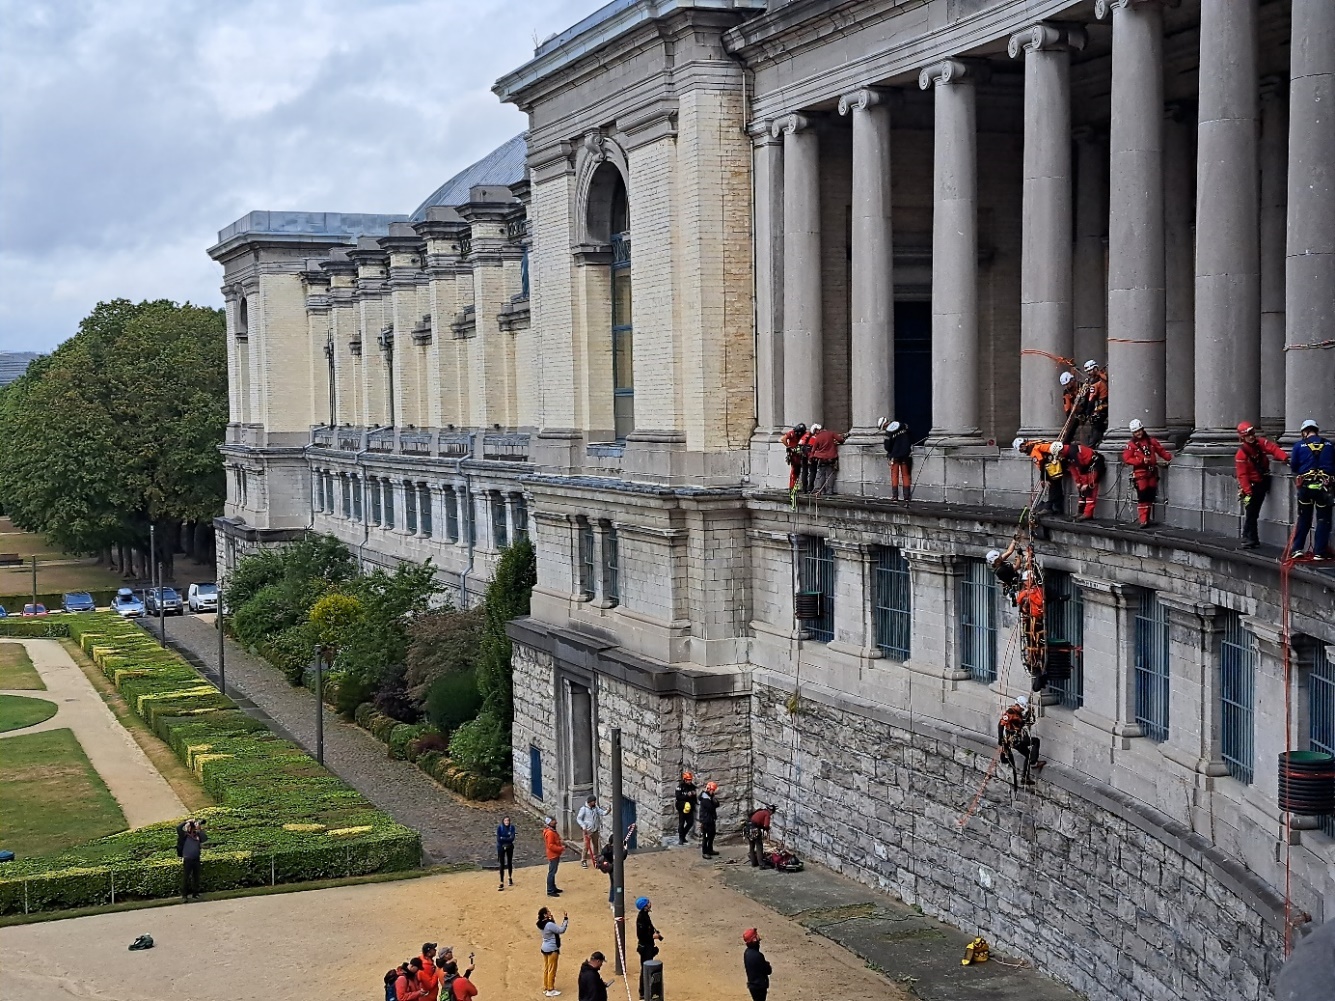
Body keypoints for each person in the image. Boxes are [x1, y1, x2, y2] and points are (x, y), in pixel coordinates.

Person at [1234, 421, 1288, 549]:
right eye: (1248, 435)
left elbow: (1273, 448)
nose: (1251, 437)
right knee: (1252, 513)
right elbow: (1242, 475)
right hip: (1252, 486)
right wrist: (1247, 491)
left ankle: (1251, 539)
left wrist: (1284, 457)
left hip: (1261, 482)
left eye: (1252, 434)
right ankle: (1249, 538)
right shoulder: (1241, 454)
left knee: (1253, 513)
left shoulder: (1260, 443)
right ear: (1243, 437)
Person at [1291, 419, 1335, 559]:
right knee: (1323, 519)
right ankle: (1319, 552)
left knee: (1304, 518)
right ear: (1316, 430)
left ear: (1304, 432)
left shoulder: (1299, 446)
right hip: (1324, 487)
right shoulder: (1329, 445)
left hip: (1306, 487)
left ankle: (1297, 549)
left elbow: (1294, 466)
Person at [1121, 419, 1173, 527]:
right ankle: (1143, 519)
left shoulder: (1151, 441)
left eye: (1139, 431)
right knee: (1143, 496)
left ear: (1142, 429)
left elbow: (1161, 451)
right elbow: (1127, 459)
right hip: (1141, 473)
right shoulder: (1131, 445)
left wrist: (1170, 458)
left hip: (1152, 472)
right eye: (1136, 432)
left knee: (1150, 495)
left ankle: (1147, 518)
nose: (1138, 433)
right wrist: (1140, 461)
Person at [998, 695, 1042, 789]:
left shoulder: (1019, 714)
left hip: (1018, 739)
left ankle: (1025, 778)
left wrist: (1031, 714)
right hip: (1016, 739)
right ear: (1017, 705)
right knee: (1036, 741)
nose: (1022, 710)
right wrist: (1000, 739)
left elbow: (1027, 723)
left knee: (1028, 754)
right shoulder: (1009, 713)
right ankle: (1034, 762)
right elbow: (1001, 724)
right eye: (1021, 708)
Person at [1015, 438, 1064, 514]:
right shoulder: (1035, 445)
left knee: (1053, 486)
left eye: (1021, 448)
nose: (1022, 450)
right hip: (1055, 461)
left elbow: (1042, 463)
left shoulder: (1034, 449)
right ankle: (1058, 507)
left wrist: (1044, 479)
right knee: (1057, 486)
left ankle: (1049, 507)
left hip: (1054, 465)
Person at [1060, 440, 1105, 520]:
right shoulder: (1067, 456)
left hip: (1094, 465)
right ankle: (1081, 511)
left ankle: (1088, 513)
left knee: (1090, 490)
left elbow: (1081, 468)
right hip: (1087, 467)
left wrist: (1085, 484)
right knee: (1082, 492)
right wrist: (1078, 482)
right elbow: (1073, 469)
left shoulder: (1074, 453)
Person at [1015, 571, 1046, 686]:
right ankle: (1033, 662)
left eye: (1026, 581)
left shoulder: (1038, 590)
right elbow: (1019, 600)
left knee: (1038, 642)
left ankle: (1039, 663)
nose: (1025, 583)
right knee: (1030, 642)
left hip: (1038, 621)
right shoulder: (1026, 591)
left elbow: (1040, 601)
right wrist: (1024, 599)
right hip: (1029, 620)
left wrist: (1031, 595)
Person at [805, 424, 847, 496]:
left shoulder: (818, 437)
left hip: (822, 459)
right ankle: (829, 491)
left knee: (822, 475)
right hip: (831, 458)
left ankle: (822, 490)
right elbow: (840, 440)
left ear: (817, 430)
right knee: (830, 475)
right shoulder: (831, 433)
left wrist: (810, 458)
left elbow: (813, 449)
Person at [878, 418, 913, 501]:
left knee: (894, 475)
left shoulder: (888, 432)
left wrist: (890, 453)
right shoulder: (903, 425)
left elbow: (887, 446)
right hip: (906, 454)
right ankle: (906, 496)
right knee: (905, 475)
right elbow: (910, 435)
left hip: (895, 455)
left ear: (885, 425)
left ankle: (895, 496)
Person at [537, 906, 569, 997]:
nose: (550, 912)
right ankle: (550, 989)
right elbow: (560, 930)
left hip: (545, 947)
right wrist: (565, 919)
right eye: (548, 911)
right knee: (552, 969)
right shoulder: (549, 924)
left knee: (547, 968)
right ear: (545, 914)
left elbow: (552, 928)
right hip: (552, 949)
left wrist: (552, 919)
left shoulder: (541, 923)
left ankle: (546, 987)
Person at [1076, 360, 1109, 446]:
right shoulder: (1103, 377)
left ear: (1095, 369)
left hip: (1103, 405)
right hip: (1105, 404)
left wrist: (1087, 413)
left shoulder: (1095, 382)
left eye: (1090, 371)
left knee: (1095, 420)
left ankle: (1093, 444)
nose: (1089, 373)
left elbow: (1091, 399)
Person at [984, 540, 1025, 605]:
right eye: (999, 557)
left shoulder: (998, 563)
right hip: (1017, 586)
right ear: (996, 561)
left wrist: (1013, 542)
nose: (1001, 557)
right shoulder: (1001, 570)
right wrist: (1019, 556)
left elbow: (1009, 552)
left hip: (1017, 579)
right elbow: (1017, 566)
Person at [177, 818, 206, 901]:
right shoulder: (184, 836)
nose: (192, 828)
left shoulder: (197, 835)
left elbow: (204, 838)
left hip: (196, 858)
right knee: (186, 878)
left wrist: (199, 829)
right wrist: (187, 822)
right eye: (191, 827)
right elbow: (178, 828)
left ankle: (195, 894)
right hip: (188, 859)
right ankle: (184, 896)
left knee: (196, 877)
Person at [576, 796, 607, 869]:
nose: (595, 803)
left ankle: (596, 858)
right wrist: (584, 827)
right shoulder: (583, 809)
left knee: (595, 845)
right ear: (590, 802)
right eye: (594, 801)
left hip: (595, 830)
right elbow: (579, 819)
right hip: (587, 831)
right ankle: (583, 860)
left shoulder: (595, 808)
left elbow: (602, 813)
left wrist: (607, 811)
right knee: (586, 846)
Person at [742, 928, 772, 1001]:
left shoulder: (747, 953)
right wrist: (767, 964)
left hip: (752, 985)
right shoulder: (758, 955)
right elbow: (768, 970)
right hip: (760, 987)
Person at [635, 897, 663, 965]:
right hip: (645, 947)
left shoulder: (645, 915)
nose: (650, 903)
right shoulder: (641, 918)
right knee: (646, 967)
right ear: (645, 906)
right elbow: (641, 935)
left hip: (648, 946)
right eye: (648, 903)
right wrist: (652, 936)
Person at [543, 816, 566, 897]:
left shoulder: (551, 831)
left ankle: (553, 888)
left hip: (554, 854)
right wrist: (561, 848)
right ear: (550, 822)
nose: (555, 822)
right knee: (552, 873)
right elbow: (551, 845)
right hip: (553, 855)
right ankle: (550, 890)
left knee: (553, 872)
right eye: (553, 820)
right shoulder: (550, 833)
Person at [781, 424, 807, 494]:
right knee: (795, 471)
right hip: (794, 455)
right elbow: (783, 439)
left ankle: (794, 486)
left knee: (798, 471)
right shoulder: (792, 433)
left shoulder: (802, 434)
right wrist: (789, 447)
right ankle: (792, 487)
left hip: (799, 453)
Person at [674, 771, 698, 844]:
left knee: (690, 823)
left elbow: (695, 797)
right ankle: (681, 838)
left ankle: (683, 835)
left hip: (690, 807)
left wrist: (694, 795)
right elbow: (678, 797)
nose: (689, 781)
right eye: (688, 780)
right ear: (685, 780)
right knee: (681, 823)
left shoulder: (692, 787)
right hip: (682, 807)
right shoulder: (680, 787)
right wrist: (687, 795)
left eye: (690, 780)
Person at [698, 780, 719, 858]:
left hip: (711, 819)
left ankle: (710, 849)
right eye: (713, 790)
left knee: (712, 835)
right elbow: (711, 807)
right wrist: (714, 802)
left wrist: (714, 801)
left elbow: (717, 804)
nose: (713, 792)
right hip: (706, 820)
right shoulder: (705, 799)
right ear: (709, 789)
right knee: (706, 836)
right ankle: (705, 852)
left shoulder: (710, 797)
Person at [496, 816, 517, 890]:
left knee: (509, 862)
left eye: (508, 821)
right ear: (503, 821)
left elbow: (512, 838)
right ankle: (501, 882)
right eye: (505, 821)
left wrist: (503, 838)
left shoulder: (512, 828)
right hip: (501, 847)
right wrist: (506, 839)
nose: (507, 822)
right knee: (501, 863)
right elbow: (499, 839)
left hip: (509, 847)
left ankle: (510, 877)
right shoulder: (500, 828)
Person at [1059, 371, 1079, 440]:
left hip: (1087, 408)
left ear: (1072, 380)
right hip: (1077, 412)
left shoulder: (1081, 386)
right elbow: (1067, 407)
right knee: (1071, 427)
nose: (1067, 386)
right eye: (1066, 385)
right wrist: (1069, 417)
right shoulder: (1067, 392)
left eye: (1068, 384)